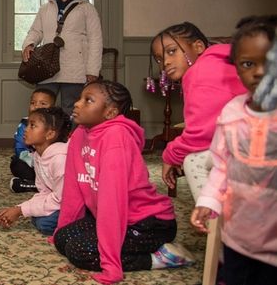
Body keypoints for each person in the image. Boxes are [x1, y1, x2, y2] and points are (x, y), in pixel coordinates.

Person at [53, 80, 194, 284]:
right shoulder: (79, 135)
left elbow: (113, 201)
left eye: (88, 100)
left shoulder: (116, 137)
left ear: (110, 112)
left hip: (148, 223)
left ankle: (158, 258)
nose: (77, 104)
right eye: (79, 98)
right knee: (62, 238)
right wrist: (63, 226)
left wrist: (111, 263)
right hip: (108, 216)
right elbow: (74, 189)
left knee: (80, 251)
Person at [191, 15, 277, 285]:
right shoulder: (231, 114)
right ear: (236, 68)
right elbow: (221, 165)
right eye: (248, 64)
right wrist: (208, 200)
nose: (260, 72)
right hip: (238, 237)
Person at [150, 22, 247, 199]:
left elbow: (201, 134)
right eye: (159, 58)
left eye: (172, 51)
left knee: (193, 162)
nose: (165, 62)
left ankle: (214, 220)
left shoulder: (200, 73)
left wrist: (170, 155)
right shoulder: (218, 61)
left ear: (199, 47)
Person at [21, 0, 103, 115]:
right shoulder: (45, 8)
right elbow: (35, 31)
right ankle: (45, 138)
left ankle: (71, 139)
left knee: (72, 110)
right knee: (42, 108)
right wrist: (29, 44)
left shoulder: (87, 9)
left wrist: (92, 70)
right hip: (47, 67)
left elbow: (96, 40)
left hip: (76, 69)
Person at [0, 107, 71, 235]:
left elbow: (60, 199)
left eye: (32, 126)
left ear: (50, 134)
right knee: (37, 217)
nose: (26, 129)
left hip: (72, 203)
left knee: (44, 223)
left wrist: (21, 210)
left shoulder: (60, 160)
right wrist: (20, 208)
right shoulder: (38, 155)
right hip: (59, 200)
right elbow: (44, 191)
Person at [9, 87, 56, 193]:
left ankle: (33, 185)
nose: (37, 106)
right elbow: (19, 147)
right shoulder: (25, 124)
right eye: (33, 103)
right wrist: (33, 160)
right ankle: (37, 184)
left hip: (52, 166)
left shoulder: (56, 126)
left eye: (43, 104)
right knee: (16, 164)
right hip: (32, 164)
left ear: (53, 108)